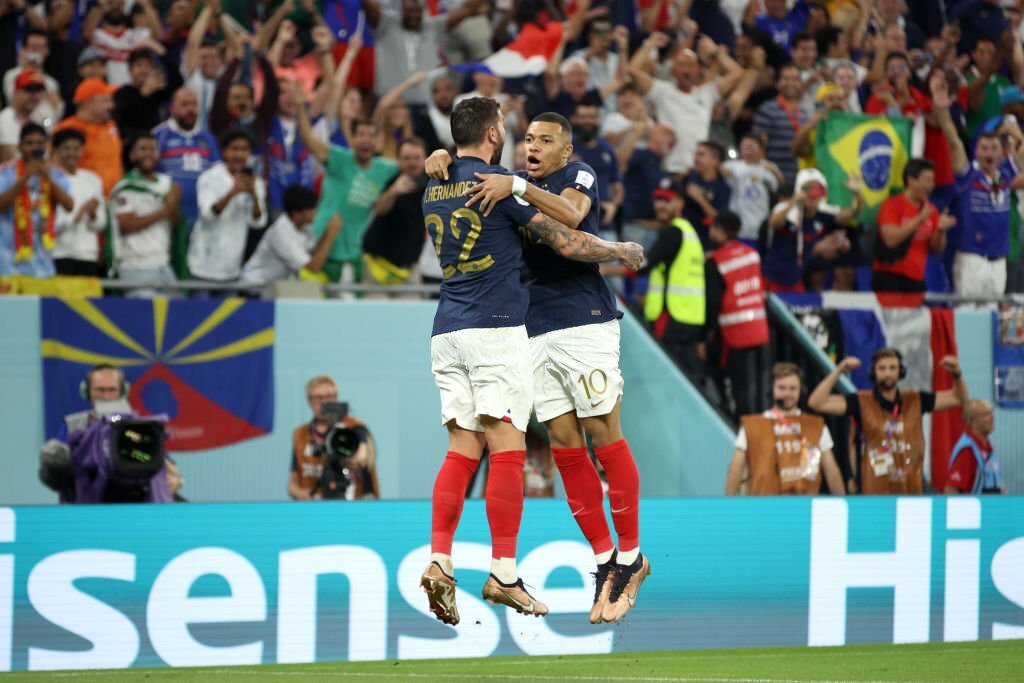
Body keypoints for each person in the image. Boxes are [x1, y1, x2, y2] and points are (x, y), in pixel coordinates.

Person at [418, 97, 642, 627]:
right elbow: (552, 235)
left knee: (599, 433)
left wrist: (482, 174)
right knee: (558, 444)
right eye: (527, 138)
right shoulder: (497, 181)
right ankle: (596, 558)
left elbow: (570, 224)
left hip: (577, 319)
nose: (532, 146)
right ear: (497, 135)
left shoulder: (568, 174)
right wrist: (456, 161)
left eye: (544, 140)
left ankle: (629, 558)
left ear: (566, 148)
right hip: (520, 330)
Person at [807, 347, 969, 494]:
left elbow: (958, 398)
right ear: (874, 372)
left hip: (910, 489)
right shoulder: (861, 402)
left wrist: (957, 375)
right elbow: (816, 402)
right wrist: (839, 370)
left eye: (893, 368)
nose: (888, 373)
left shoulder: (916, 400)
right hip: (873, 492)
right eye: (882, 368)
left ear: (901, 372)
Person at [933, 72, 1024, 298]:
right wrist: (942, 110)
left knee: (995, 320)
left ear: (1002, 152)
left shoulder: (1006, 174)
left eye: (994, 148)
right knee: (967, 319)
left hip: (999, 262)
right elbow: (954, 142)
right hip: (971, 260)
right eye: (984, 148)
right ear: (976, 151)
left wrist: (1017, 136)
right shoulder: (968, 175)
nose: (989, 153)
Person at [293, 88, 396, 285]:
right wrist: (299, 108)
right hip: (321, 246)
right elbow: (308, 139)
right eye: (361, 135)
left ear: (377, 142)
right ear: (353, 139)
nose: (366, 139)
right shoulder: (339, 158)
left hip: (352, 252)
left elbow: (414, 164)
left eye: (371, 135)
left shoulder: (384, 167)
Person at [628, 32, 745, 175]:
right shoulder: (662, 90)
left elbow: (738, 73)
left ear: (698, 69)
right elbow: (632, 70)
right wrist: (650, 44)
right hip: (669, 168)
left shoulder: (707, 93)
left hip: (699, 171)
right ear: (673, 70)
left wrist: (716, 51)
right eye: (681, 65)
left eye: (691, 65)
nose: (686, 70)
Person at [726, 362, 845, 495]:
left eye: (793, 388)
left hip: (804, 507)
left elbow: (831, 470)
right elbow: (736, 467)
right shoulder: (753, 425)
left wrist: (844, 504)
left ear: (801, 390)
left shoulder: (815, 425)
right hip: (765, 507)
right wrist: (728, 506)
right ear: (772, 388)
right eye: (781, 388)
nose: (787, 393)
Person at [638, 184, 708, 388]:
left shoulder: (673, 233)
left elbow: (643, 265)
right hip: (691, 315)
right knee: (689, 375)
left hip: (671, 314)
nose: (660, 205)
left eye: (667, 201)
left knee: (669, 377)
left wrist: (607, 268)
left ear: (680, 203)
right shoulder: (690, 232)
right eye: (658, 200)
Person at [705, 211, 770, 418]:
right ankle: (756, 428)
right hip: (759, 328)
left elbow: (712, 302)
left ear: (721, 230)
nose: (710, 232)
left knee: (739, 389)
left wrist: (704, 335)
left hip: (733, 334)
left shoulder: (716, 261)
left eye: (713, 228)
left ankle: (742, 431)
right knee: (759, 388)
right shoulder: (752, 254)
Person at [38, 364, 131, 503]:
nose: (106, 396)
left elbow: (150, 461)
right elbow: (54, 481)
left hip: (130, 508)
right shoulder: (71, 426)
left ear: (122, 392)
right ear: (86, 392)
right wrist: (54, 467)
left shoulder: (136, 427)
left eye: (112, 390)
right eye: (99, 390)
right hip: (80, 511)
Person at [188, 127, 267, 283]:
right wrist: (233, 192)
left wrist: (254, 196)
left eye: (244, 150)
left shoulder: (255, 182)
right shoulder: (209, 177)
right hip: (203, 266)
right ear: (224, 152)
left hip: (232, 269)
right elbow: (208, 215)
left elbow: (258, 222)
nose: (239, 155)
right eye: (234, 149)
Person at [110, 133, 182, 296]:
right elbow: (126, 224)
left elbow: (175, 224)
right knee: (144, 319)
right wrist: (164, 211)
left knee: (174, 317)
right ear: (132, 155)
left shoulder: (166, 183)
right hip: (135, 266)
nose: (148, 153)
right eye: (143, 149)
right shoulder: (126, 186)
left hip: (163, 263)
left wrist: (173, 205)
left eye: (152, 149)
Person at [0, 123, 74, 277]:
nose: (35, 147)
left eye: (40, 143)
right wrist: (24, 178)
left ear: (46, 145)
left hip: (43, 265)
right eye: (29, 143)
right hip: (8, 263)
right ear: (20, 146)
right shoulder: (5, 172)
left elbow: (69, 205)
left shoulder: (56, 174)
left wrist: (49, 179)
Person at [872, 158, 956, 293]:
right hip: (889, 277)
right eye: (927, 180)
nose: (931, 185)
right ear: (911, 180)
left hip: (916, 278)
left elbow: (936, 249)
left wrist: (940, 231)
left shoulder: (931, 210)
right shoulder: (892, 205)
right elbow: (890, 240)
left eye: (932, 181)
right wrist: (919, 220)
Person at [289, 375, 377, 501]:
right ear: (309, 401)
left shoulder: (353, 427)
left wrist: (355, 457)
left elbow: (363, 455)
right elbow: (292, 483)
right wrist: (300, 493)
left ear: (336, 397)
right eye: (319, 397)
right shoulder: (300, 434)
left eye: (330, 396)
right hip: (315, 506)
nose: (325, 402)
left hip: (352, 503)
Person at [361, 138, 429, 298]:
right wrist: (393, 191)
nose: (412, 163)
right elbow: (378, 210)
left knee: (413, 319)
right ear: (398, 161)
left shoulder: (433, 185)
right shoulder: (390, 181)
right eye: (406, 158)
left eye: (417, 158)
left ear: (426, 159)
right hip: (377, 267)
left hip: (408, 268)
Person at [239, 185, 341, 287]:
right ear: (296, 213)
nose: (315, 212)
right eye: (311, 209)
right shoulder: (281, 232)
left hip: (271, 289)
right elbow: (312, 267)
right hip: (253, 288)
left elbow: (312, 254)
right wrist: (330, 235)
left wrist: (326, 234)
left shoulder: (305, 227)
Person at [53, 77, 123, 197]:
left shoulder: (111, 125)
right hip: (82, 198)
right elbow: (56, 167)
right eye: (106, 100)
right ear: (89, 102)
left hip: (114, 200)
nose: (111, 106)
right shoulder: (68, 128)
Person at [51, 128, 106, 277]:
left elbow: (100, 224)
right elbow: (51, 226)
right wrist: (79, 214)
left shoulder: (93, 179)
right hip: (59, 253)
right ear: (56, 150)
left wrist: (93, 214)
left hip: (87, 255)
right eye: (66, 148)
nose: (72, 153)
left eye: (76, 149)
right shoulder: (50, 179)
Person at [752, 64, 807, 187]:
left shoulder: (803, 113)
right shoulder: (767, 109)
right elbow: (758, 144)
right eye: (786, 79)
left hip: (798, 179)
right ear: (777, 83)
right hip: (773, 179)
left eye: (795, 79)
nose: (790, 83)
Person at [946, 399, 1004, 495]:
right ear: (972, 421)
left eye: (991, 413)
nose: (992, 417)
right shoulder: (967, 451)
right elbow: (951, 491)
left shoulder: (988, 448)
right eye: (986, 414)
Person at [0, 70, 48, 163]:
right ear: (16, 91)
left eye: (38, 91)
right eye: (29, 90)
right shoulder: (5, 119)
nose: (34, 96)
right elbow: (9, 158)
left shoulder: (38, 119)